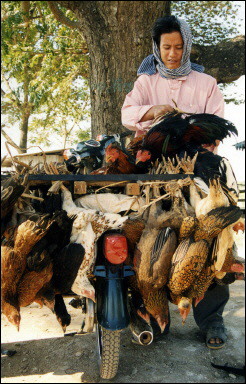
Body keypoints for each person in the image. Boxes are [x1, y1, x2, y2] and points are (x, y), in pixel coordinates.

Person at [121, 15, 229, 349]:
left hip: (194, 164)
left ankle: (212, 319)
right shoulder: (145, 81)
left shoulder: (205, 82)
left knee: (211, 231)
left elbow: (219, 122)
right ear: (157, 47)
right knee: (145, 231)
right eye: (166, 47)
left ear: (187, 46)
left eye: (179, 47)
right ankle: (153, 313)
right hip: (155, 167)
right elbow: (127, 114)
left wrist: (199, 149)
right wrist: (152, 110)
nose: (172, 53)